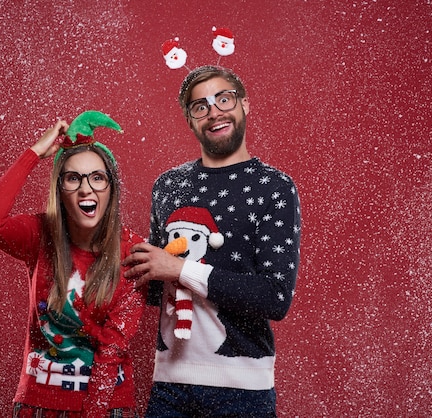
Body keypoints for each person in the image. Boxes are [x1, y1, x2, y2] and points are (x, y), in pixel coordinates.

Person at [122, 66, 301, 417]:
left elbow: (274, 298)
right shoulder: (168, 185)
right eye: (200, 106)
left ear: (245, 105)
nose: (214, 111)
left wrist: (180, 268)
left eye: (223, 99)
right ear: (190, 120)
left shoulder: (274, 188)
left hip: (243, 390)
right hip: (170, 386)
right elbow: (157, 284)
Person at [0, 111, 145, 418]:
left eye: (97, 177)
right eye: (72, 178)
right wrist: (35, 153)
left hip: (107, 407)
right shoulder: (40, 235)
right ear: (59, 190)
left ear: (111, 189)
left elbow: (113, 346)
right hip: (38, 404)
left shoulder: (133, 251)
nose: (86, 188)